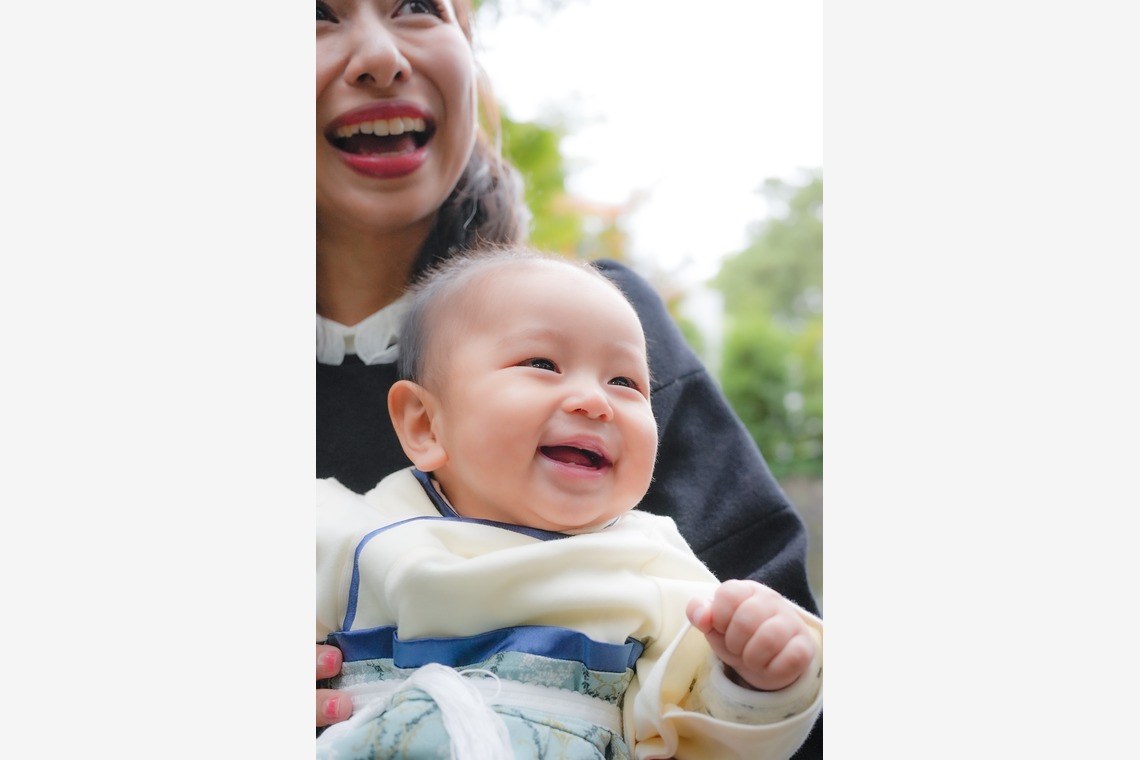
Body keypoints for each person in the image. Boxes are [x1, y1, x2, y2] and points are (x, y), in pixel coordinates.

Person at [315, 1, 823, 754]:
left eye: (418, 5)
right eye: (314, 16)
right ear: (421, 422)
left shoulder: (648, 548)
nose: (380, 56)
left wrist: (756, 679)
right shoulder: (342, 534)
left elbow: (759, 684)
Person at [316, 248, 823, 760]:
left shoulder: (652, 564)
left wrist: (753, 680)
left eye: (624, 382)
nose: (594, 400)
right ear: (426, 424)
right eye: (542, 364)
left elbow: (694, 725)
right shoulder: (353, 531)